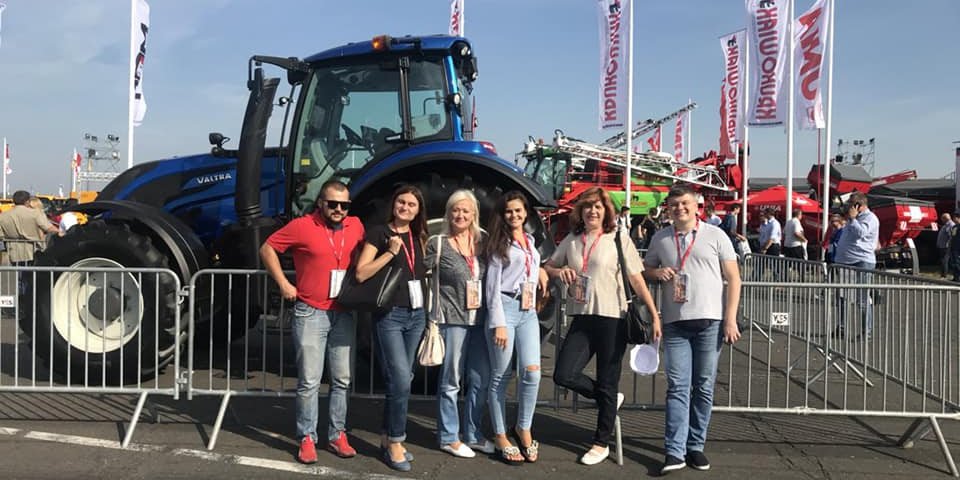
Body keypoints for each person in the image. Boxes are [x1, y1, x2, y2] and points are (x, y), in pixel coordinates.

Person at [545, 187, 661, 466]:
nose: (592, 211)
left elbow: (636, 279)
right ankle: (608, 398)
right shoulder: (572, 240)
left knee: (608, 378)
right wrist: (559, 271)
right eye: (588, 206)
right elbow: (549, 266)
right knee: (564, 374)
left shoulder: (618, 238)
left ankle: (601, 442)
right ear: (580, 211)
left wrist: (654, 315)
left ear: (606, 212)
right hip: (582, 316)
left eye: (598, 207)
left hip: (613, 318)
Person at [259, 180, 363, 464]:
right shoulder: (302, 226)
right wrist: (283, 283)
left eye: (344, 205)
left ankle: (337, 434)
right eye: (333, 204)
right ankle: (307, 437)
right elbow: (267, 249)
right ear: (320, 203)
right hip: (310, 312)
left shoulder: (356, 226)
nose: (339, 209)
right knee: (309, 380)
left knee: (342, 379)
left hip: (344, 312)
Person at [642, 184, 741, 475]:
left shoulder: (716, 235)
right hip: (675, 323)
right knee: (677, 387)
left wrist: (731, 319)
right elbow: (645, 270)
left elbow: (733, 278)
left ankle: (695, 445)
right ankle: (674, 451)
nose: (680, 209)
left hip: (710, 321)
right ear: (668, 209)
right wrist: (656, 272)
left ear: (696, 205)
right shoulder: (661, 238)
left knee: (704, 386)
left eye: (684, 203)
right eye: (674, 205)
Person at [355, 184, 428, 472]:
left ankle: (387, 438)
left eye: (411, 204)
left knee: (401, 379)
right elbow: (361, 273)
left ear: (418, 210)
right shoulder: (379, 233)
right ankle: (397, 440)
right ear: (393, 204)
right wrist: (389, 253)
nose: (405, 208)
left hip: (416, 315)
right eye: (401, 202)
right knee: (401, 380)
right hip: (391, 316)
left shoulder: (420, 236)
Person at [426, 189, 493, 458]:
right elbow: (418, 271)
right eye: (455, 210)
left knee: (480, 379)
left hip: (481, 321)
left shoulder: (484, 242)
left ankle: (473, 434)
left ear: (474, 213)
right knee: (451, 381)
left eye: (465, 210)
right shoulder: (438, 243)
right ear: (448, 213)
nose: (460, 215)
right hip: (452, 320)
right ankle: (448, 436)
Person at [484, 191, 548, 465]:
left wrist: (541, 273)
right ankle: (500, 434)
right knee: (501, 375)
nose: (514, 215)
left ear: (526, 213)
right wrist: (498, 322)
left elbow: (530, 268)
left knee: (532, 372)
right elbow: (491, 288)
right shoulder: (499, 243)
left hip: (528, 311)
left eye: (518, 210)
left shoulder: (530, 242)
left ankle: (523, 427)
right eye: (509, 211)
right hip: (505, 308)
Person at [832, 191, 879, 340]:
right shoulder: (854, 219)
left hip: (861, 261)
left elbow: (861, 233)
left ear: (859, 205)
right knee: (843, 297)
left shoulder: (870, 218)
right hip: (846, 262)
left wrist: (852, 219)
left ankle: (867, 331)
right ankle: (841, 327)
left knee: (862, 298)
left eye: (851, 204)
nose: (848, 207)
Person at [0, 190, 59, 265]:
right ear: (27, 201)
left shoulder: (3, 216)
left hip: (13, 252)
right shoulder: (36, 213)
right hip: (34, 251)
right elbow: (50, 228)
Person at [937, 212, 955, 278]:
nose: (941, 220)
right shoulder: (946, 225)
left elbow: (950, 235)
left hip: (945, 246)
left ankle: (944, 275)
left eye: (942, 218)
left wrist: (948, 244)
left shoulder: (950, 225)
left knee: (944, 260)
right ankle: (943, 274)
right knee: (943, 260)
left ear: (945, 218)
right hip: (942, 245)